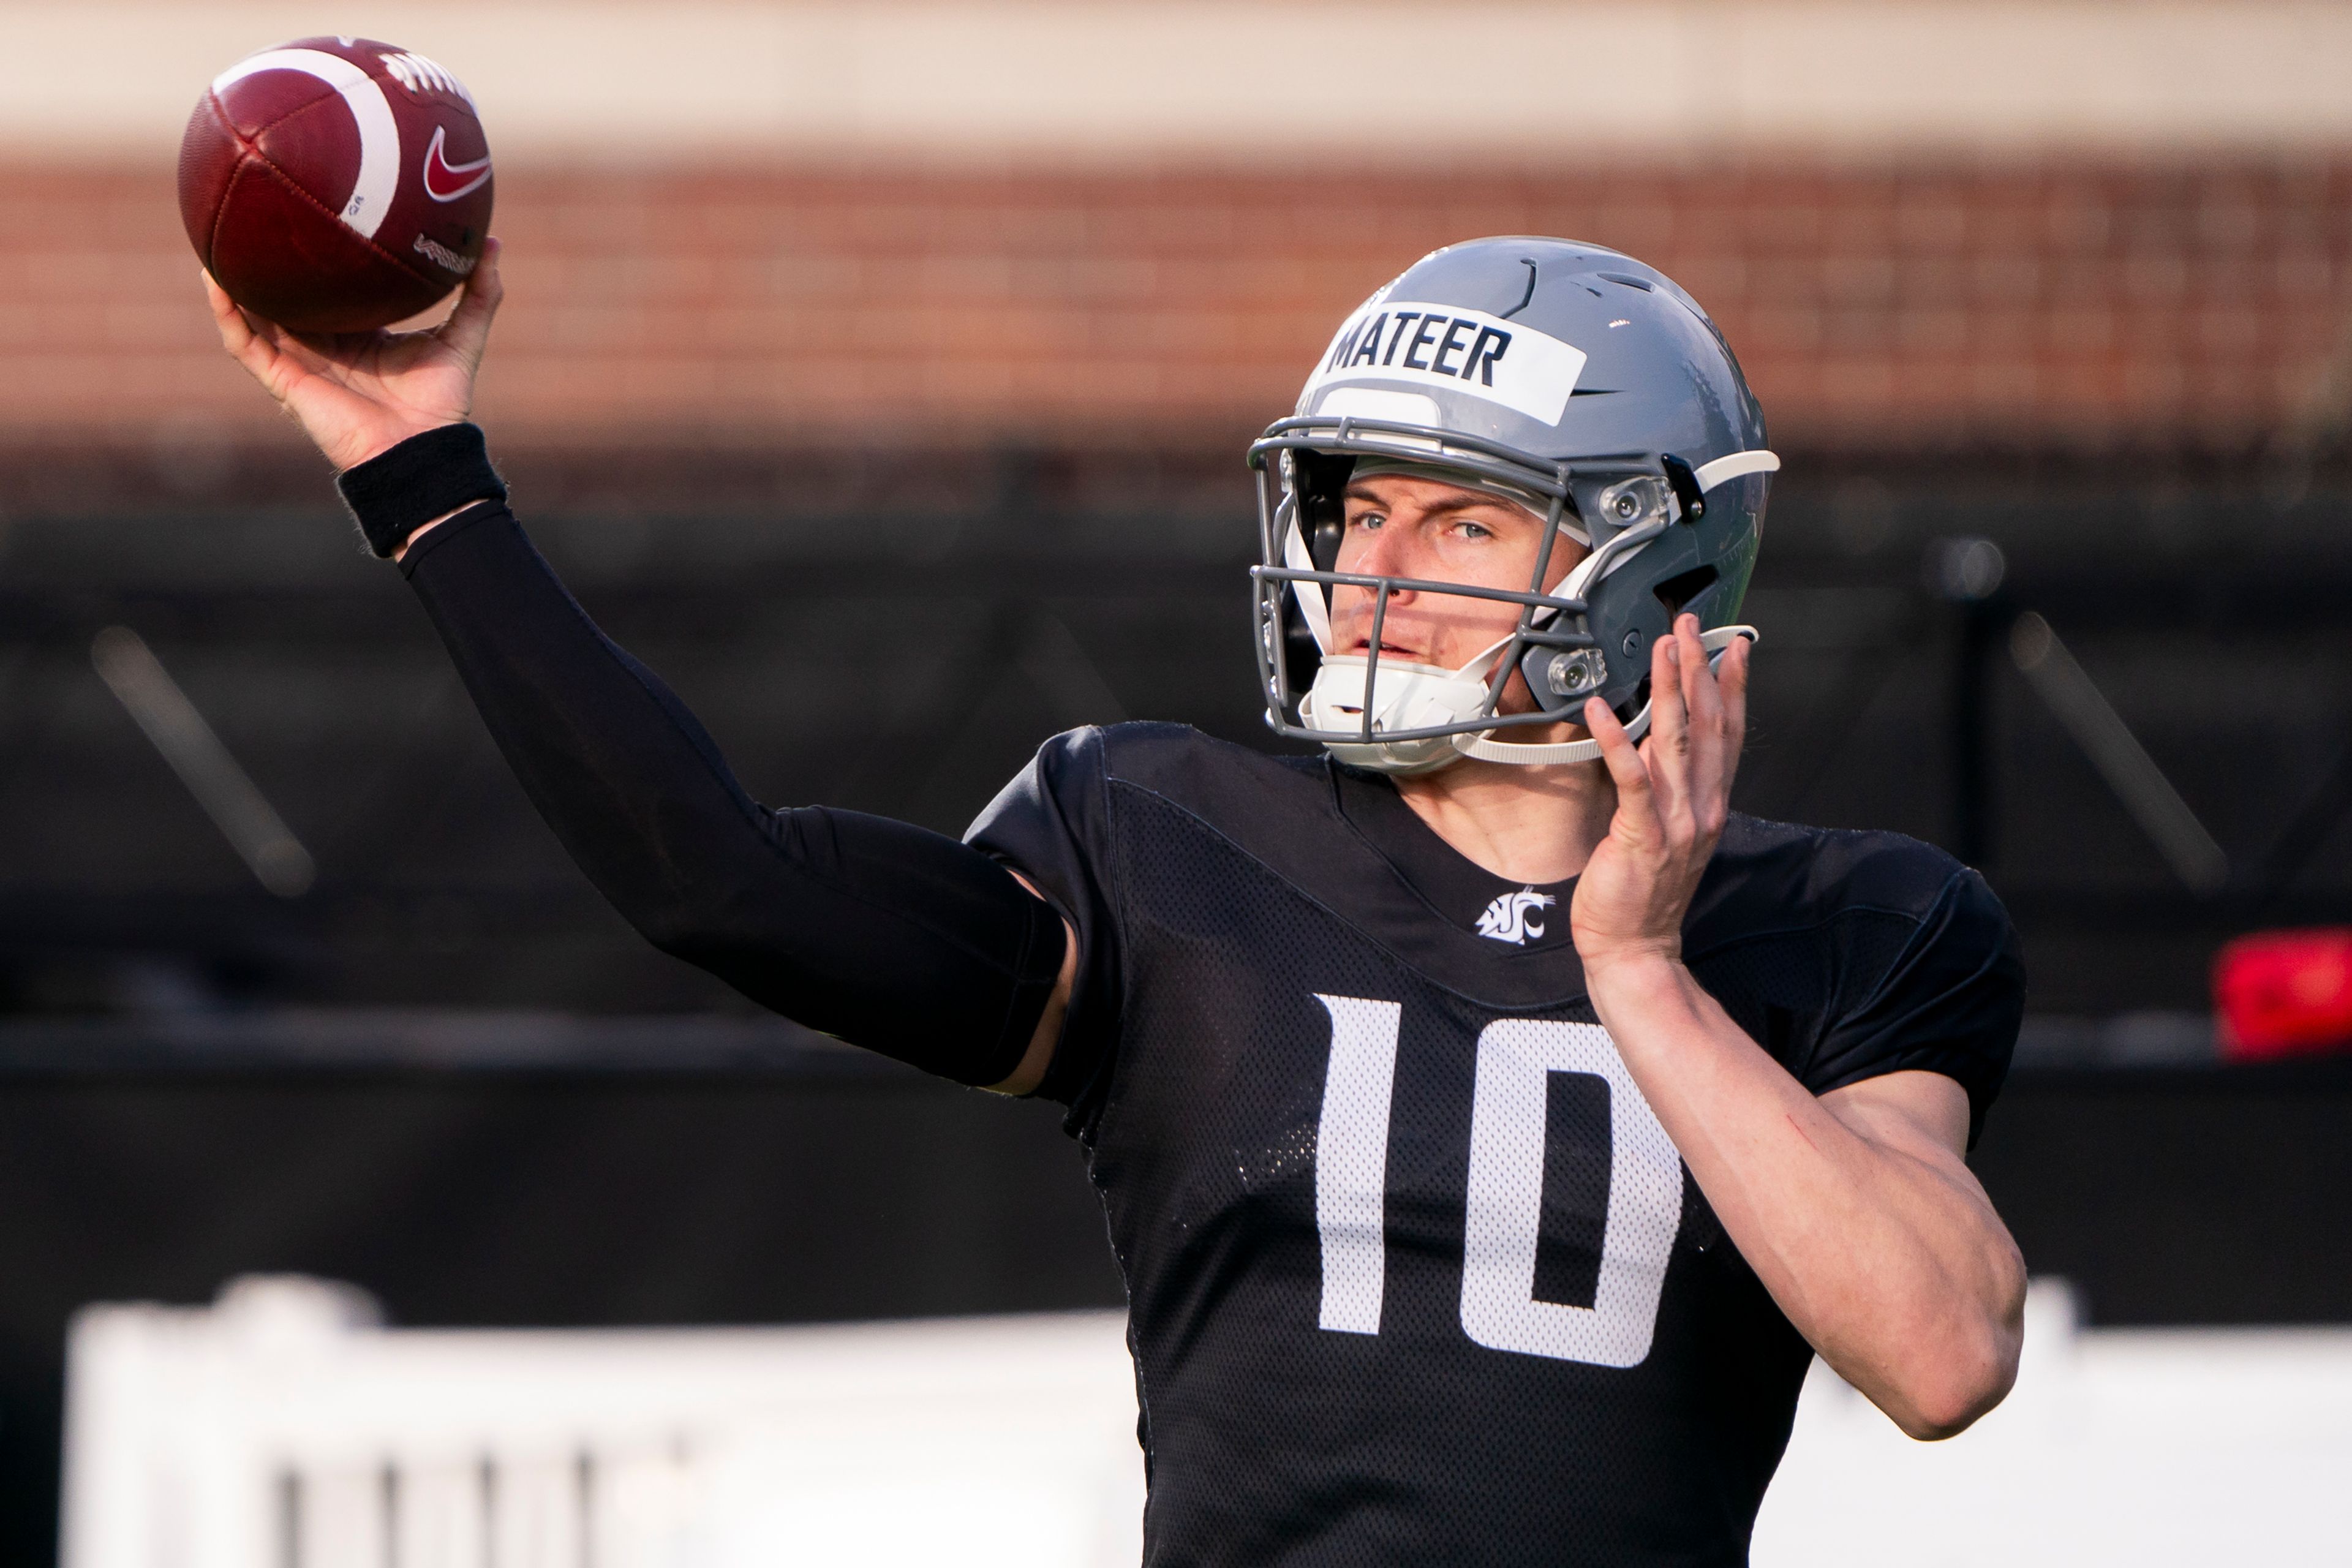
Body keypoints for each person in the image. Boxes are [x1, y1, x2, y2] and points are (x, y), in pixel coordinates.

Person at [205, 233, 2027, 1567]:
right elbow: (723, 881)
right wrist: (421, 471)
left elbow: (1942, 1354)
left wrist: (1636, 967)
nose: (1372, 576)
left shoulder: (1846, 925)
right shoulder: (1170, 844)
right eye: (1353, 508)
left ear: (1658, 561)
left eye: (1461, 522)